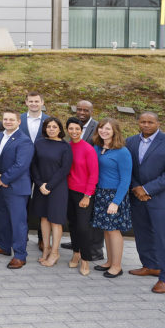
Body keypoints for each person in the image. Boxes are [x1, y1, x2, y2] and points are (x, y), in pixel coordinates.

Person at [126, 111, 165, 294]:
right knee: (143, 235)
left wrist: (147, 189)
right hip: (138, 197)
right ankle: (150, 265)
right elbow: (130, 168)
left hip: (163, 200)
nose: (146, 125)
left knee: (164, 239)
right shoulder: (131, 142)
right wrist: (137, 188)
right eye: (142, 122)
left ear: (158, 123)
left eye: (150, 122)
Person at [0, 111, 34, 269]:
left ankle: (20, 255)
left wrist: (4, 179)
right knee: (3, 217)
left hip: (16, 188)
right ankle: (4, 245)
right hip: (0, 185)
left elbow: (21, 165)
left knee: (18, 222)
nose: (8, 122)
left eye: (12, 119)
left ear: (19, 122)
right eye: (5, 119)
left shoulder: (24, 141)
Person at [91, 118, 133, 279]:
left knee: (114, 231)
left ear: (115, 131)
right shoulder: (98, 147)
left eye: (108, 129)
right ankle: (109, 261)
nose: (104, 131)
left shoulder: (122, 152)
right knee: (106, 230)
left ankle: (117, 266)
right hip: (100, 193)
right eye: (101, 128)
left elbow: (125, 179)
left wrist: (116, 202)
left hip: (114, 195)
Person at [31, 117, 73, 267]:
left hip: (57, 188)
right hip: (41, 186)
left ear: (60, 129)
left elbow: (65, 169)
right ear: (45, 128)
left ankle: (55, 252)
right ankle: (46, 249)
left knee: (55, 220)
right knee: (43, 218)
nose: (51, 129)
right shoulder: (39, 143)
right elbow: (34, 164)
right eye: (49, 126)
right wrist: (40, 184)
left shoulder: (65, 146)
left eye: (54, 127)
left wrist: (49, 186)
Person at [65, 117, 99, 276]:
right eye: (71, 129)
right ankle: (76, 253)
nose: (74, 132)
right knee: (72, 225)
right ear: (67, 130)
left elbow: (94, 174)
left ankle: (86, 260)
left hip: (83, 193)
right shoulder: (67, 147)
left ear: (82, 130)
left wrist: (87, 196)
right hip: (68, 192)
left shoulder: (88, 149)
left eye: (77, 129)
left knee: (83, 228)